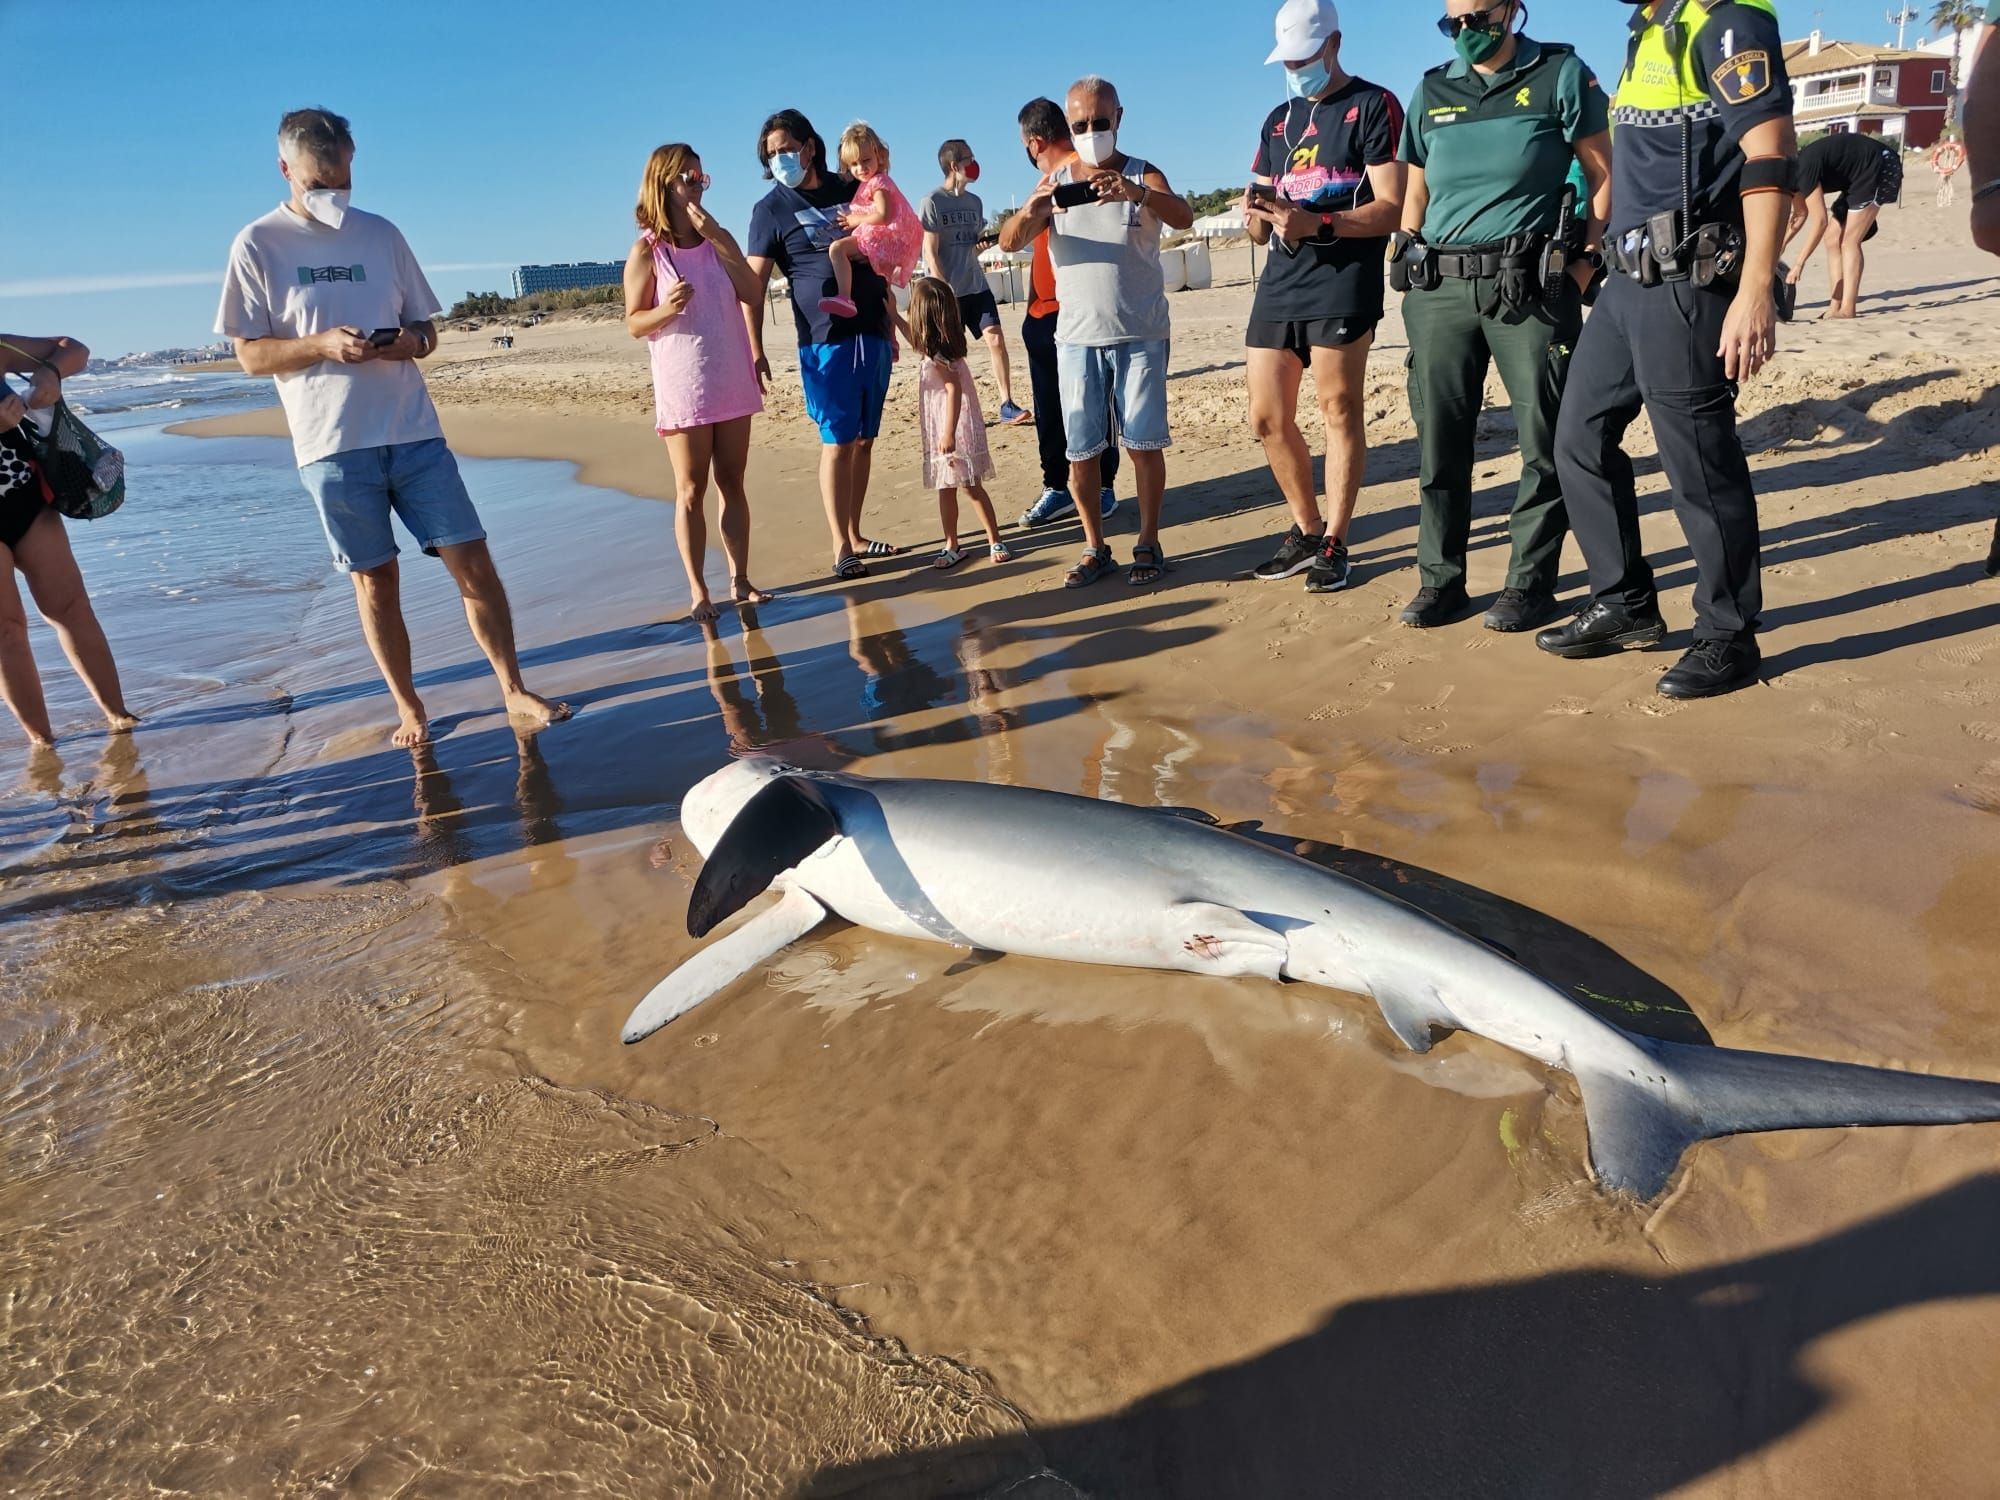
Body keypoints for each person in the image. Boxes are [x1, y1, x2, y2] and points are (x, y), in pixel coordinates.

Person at [217, 108, 569, 748]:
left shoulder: (381, 234)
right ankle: (410, 709)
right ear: (286, 169)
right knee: (375, 582)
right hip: (331, 445)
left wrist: (406, 341)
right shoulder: (257, 244)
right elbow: (249, 355)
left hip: (412, 432)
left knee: (473, 561)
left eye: (342, 176)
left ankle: (513, 688)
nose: (333, 192)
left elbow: (427, 332)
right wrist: (322, 344)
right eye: (318, 180)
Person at [1535, 0, 1796, 700]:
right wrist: (1586, 243)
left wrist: (1757, 290)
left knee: (1699, 464)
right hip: (1625, 282)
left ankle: (1727, 634)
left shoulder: (1728, 21)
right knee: (1579, 438)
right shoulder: (1653, 27)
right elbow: (1632, 166)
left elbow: (1770, 149)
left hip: (1688, 280)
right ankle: (1623, 603)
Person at [1393, 0, 1611, 631]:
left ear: (1514, 10)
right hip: (1439, 288)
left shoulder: (1560, 74)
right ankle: (1441, 582)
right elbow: (1416, 182)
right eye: (1451, 22)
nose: (1466, 31)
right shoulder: (1431, 89)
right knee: (1439, 442)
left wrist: (1584, 261)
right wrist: (1407, 246)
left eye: (1479, 16)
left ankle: (1529, 585)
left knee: (1542, 438)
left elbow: (1602, 173)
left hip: (1529, 288)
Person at [1002, 76, 1194, 588]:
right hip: (1077, 338)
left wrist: (1138, 194)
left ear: (1119, 118)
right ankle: (1094, 547)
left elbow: (1184, 218)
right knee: (1080, 451)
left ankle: (1148, 542)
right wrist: (1032, 212)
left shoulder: (1143, 172)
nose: (1091, 131)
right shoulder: (1054, 180)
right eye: (1080, 124)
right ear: (1069, 125)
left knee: (1143, 445)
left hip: (1141, 333)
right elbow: (1008, 240)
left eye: (1100, 122)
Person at [1244, 0, 1406, 597]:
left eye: (1303, 59)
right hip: (1281, 282)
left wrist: (1319, 224)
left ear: (1333, 45)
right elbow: (1261, 214)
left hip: (1343, 277)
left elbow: (1390, 207)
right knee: (1266, 416)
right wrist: (1256, 216)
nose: (1294, 69)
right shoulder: (1277, 120)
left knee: (1338, 408)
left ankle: (1336, 540)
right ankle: (1306, 529)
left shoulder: (1373, 104)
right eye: (1286, 61)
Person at [745, 108, 899, 581]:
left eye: (787, 149)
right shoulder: (768, 210)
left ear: (810, 147)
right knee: (838, 441)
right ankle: (840, 547)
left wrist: (893, 324)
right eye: (772, 155)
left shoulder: (847, 186)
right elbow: (753, 288)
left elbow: (883, 228)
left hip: (871, 327)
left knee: (866, 439)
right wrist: (755, 348)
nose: (781, 159)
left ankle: (854, 532)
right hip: (823, 340)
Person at [623, 144, 771, 624]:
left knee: (734, 482)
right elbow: (634, 322)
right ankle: (697, 589)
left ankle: (741, 579)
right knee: (691, 489)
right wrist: (667, 309)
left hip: (731, 376)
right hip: (685, 384)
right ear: (664, 184)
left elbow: (751, 292)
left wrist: (722, 236)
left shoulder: (717, 242)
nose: (697, 187)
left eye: (702, 179)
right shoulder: (648, 251)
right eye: (689, 179)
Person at [0, 335, 139, 749]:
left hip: (25, 498)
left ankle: (120, 717)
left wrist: (51, 373)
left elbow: (72, 347)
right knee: (7, 630)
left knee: (72, 607)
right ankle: (43, 743)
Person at [1002, 98, 1122, 530]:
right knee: (1051, 407)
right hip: (1041, 312)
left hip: (1078, 312)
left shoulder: (1087, 172)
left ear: (1034, 142)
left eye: (1025, 145)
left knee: (1093, 405)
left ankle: (1100, 486)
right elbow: (1010, 240)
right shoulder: (1048, 185)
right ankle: (1058, 486)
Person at [920, 140, 1031, 426]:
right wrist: (943, 289)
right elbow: (930, 250)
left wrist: (981, 245)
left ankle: (1006, 402)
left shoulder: (976, 202)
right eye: (969, 159)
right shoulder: (932, 201)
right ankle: (957, 411)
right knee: (952, 355)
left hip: (976, 285)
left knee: (996, 338)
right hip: (948, 292)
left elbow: (971, 247)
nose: (974, 164)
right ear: (954, 165)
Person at [906, 278, 1012, 570]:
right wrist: (891, 315)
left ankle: (994, 539)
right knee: (947, 488)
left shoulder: (940, 355)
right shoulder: (934, 347)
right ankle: (951, 543)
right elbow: (914, 339)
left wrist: (948, 433)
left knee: (969, 485)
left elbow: (953, 390)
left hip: (950, 427)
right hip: (945, 425)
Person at [1783, 131, 1903, 320]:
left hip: (1880, 165)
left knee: (1849, 241)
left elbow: (1820, 221)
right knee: (1832, 238)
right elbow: (1799, 214)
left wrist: (1799, 263)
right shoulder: (1789, 179)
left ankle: (1848, 308)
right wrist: (1780, 246)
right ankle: (1835, 305)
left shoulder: (1801, 169)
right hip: (1856, 177)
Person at [819, 122, 923, 326]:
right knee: (885, 291)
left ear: (880, 156)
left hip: (882, 238)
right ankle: (891, 336)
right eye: (854, 164)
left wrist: (854, 219)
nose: (861, 168)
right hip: (891, 240)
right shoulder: (875, 181)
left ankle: (844, 296)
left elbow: (884, 215)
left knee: (837, 249)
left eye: (866, 160)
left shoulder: (878, 183)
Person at [1931, 135, 1966, 207]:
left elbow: (1961, 158)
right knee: (1944, 183)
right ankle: (1944, 199)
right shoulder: (1946, 148)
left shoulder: (1954, 148)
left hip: (1950, 166)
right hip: (1946, 168)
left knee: (1947, 183)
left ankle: (1947, 199)